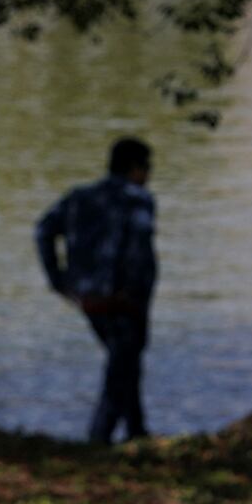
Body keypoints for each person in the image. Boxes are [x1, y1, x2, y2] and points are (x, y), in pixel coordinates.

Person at [35, 137, 157, 444]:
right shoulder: (138, 199)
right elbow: (139, 252)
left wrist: (58, 280)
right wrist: (136, 293)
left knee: (124, 362)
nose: (149, 174)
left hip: (89, 298)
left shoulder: (80, 197)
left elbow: (43, 230)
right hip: (124, 299)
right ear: (134, 168)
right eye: (147, 167)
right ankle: (98, 439)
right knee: (121, 368)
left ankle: (136, 432)